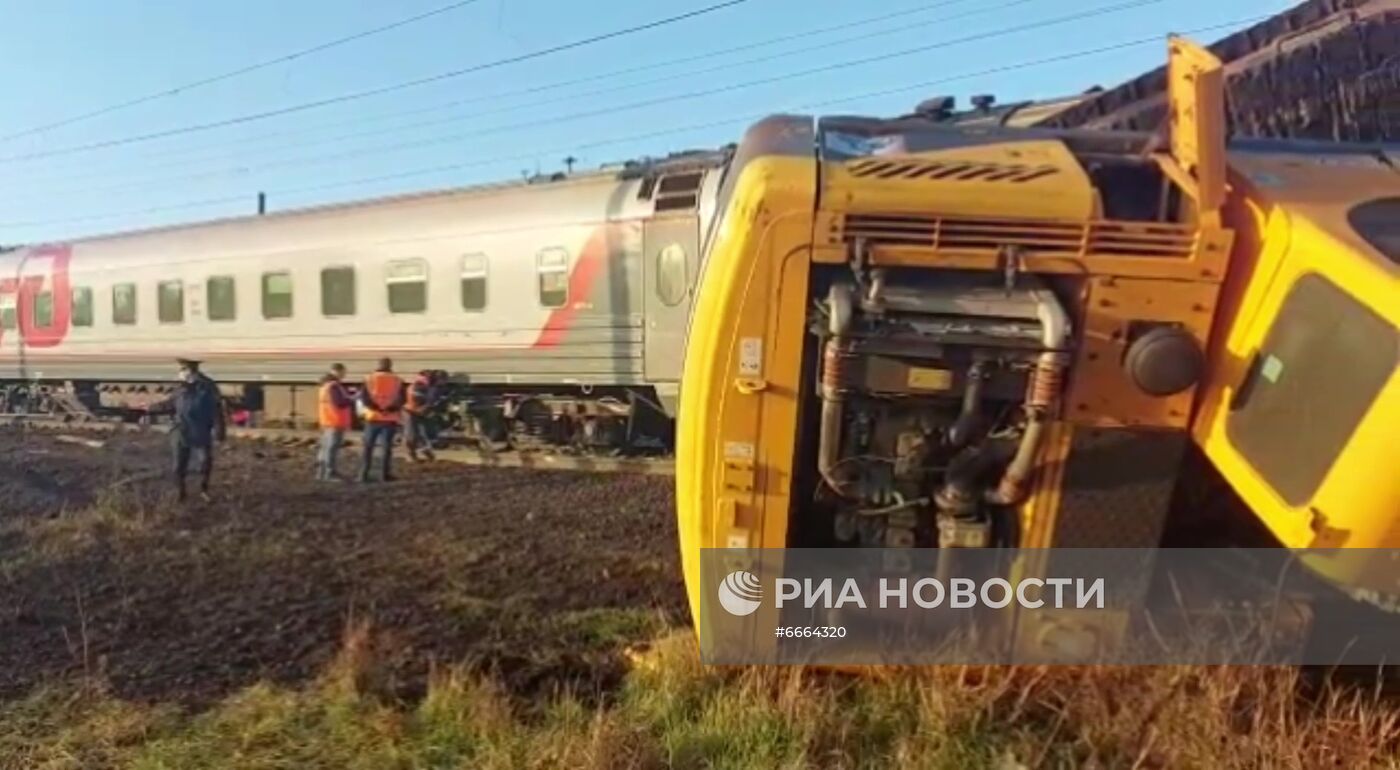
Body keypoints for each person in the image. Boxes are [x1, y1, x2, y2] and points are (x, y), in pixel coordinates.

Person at [147, 358, 227, 503]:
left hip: (200, 429)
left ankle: (203, 489)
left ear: (194, 371)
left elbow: (217, 410)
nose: (182, 373)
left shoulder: (208, 388)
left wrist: (220, 430)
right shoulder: (180, 389)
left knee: (205, 462)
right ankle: (180, 491)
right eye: (181, 370)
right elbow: (170, 404)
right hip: (180, 430)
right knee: (178, 464)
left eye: (185, 369)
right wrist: (151, 409)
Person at [358, 357, 405, 482]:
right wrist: (388, 409)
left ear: (378, 365)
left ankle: (363, 474)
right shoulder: (397, 380)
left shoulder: (369, 379)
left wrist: (377, 409)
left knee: (368, 447)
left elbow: (364, 398)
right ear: (390, 365)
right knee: (386, 448)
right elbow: (402, 399)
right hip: (389, 419)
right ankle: (384, 475)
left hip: (372, 418)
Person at [316, 363, 354, 481]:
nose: (344, 375)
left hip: (326, 420)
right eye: (343, 372)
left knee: (325, 447)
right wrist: (353, 398)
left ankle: (321, 473)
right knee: (332, 448)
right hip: (335, 420)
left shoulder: (325, 385)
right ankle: (330, 473)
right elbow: (339, 403)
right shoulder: (334, 386)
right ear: (337, 371)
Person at [404, 369, 440, 462]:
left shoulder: (419, 385)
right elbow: (418, 401)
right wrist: (425, 410)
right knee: (412, 435)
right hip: (412, 411)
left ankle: (424, 454)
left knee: (417, 434)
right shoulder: (420, 386)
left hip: (413, 411)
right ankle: (413, 455)